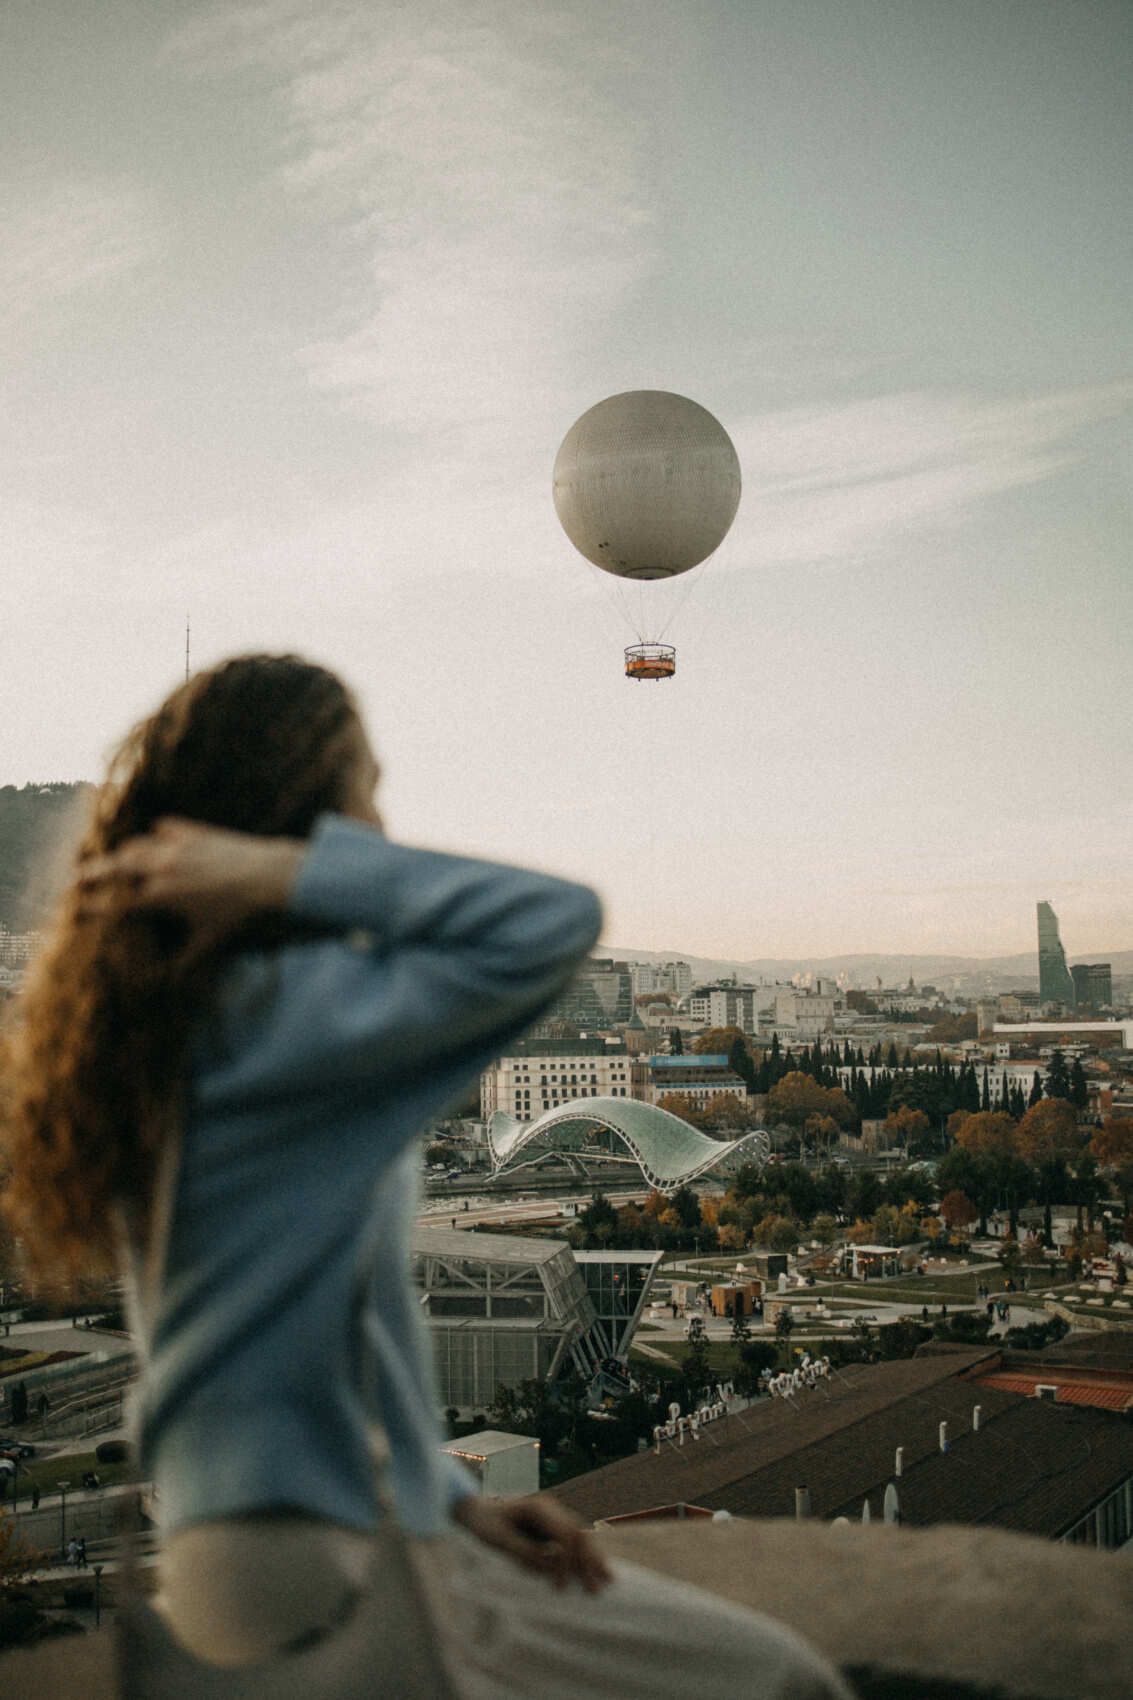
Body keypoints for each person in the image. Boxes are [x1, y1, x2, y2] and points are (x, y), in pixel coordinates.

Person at [0, 655, 848, 1698]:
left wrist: (449, 1502)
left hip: (275, 1543)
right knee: (778, 1679)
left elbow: (347, 1318)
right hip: (317, 1554)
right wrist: (289, 871)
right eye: (365, 785)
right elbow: (556, 918)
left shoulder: (164, 1016)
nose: (382, 820)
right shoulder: (284, 1012)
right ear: (305, 809)